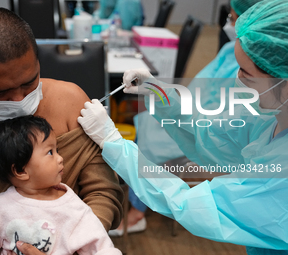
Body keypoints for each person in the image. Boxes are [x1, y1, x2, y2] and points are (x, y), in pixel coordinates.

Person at [77, 0, 288, 254]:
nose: (238, 80)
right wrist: (158, 93)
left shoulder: (280, 174)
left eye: (246, 73)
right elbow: (211, 132)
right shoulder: (272, 117)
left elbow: (189, 204)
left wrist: (114, 144)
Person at [0, 7, 123, 255]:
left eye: (29, 82)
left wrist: (69, 244)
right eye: (0, 92)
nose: (19, 99)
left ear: (38, 62)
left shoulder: (70, 103)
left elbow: (103, 192)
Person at [113, 0, 264, 237]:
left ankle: (137, 210)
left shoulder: (267, 151)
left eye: (233, 18)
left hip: (207, 127)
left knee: (149, 146)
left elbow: (218, 124)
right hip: (195, 117)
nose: (228, 23)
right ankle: (135, 193)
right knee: (146, 123)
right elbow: (196, 90)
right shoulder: (231, 51)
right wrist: (156, 89)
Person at [0, 115, 121, 255]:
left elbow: (101, 248)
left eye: (57, 150)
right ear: (20, 170)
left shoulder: (75, 210)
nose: (60, 158)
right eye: (50, 152)